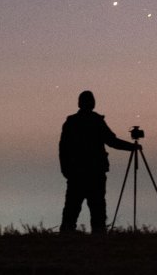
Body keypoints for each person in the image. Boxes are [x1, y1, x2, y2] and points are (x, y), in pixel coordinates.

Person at [58, 90, 137, 234]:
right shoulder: (96, 121)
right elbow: (112, 141)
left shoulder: (71, 122)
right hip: (94, 172)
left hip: (77, 172)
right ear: (92, 103)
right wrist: (131, 147)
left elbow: (63, 149)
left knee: (73, 206)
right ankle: (98, 234)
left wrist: (65, 170)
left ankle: (67, 234)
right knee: (96, 205)